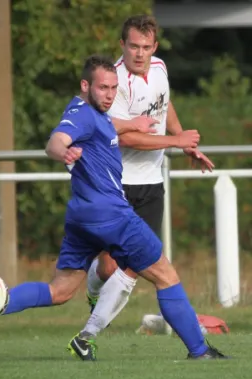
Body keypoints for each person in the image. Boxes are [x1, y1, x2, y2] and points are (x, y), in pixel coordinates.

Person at [0, 54, 227, 362]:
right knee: (165, 273)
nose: (110, 95)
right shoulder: (81, 116)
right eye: (103, 88)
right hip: (111, 215)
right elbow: (54, 142)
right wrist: (64, 152)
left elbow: (106, 125)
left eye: (113, 88)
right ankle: (200, 351)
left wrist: (134, 123)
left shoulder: (94, 113)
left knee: (60, 291)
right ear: (86, 85)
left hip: (82, 218)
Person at [85, 15, 215, 318]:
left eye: (146, 46)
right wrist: (175, 140)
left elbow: (164, 103)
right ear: (122, 45)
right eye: (133, 46)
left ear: (154, 46)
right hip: (114, 182)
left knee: (136, 262)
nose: (140, 53)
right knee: (109, 265)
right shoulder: (113, 81)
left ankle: (91, 332)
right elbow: (128, 138)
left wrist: (187, 145)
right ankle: (93, 290)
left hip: (151, 183)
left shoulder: (159, 68)